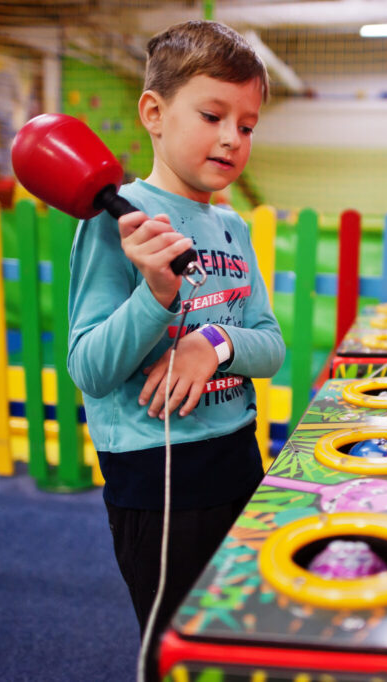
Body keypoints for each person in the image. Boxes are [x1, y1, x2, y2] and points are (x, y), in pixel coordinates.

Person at [65, 20, 285, 679]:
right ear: (154, 113)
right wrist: (154, 295)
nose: (231, 138)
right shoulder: (116, 221)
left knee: (242, 636)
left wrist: (211, 343)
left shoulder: (232, 226)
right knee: (178, 650)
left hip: (239, 460)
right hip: (156, 481)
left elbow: (269, 347)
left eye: (246, 125)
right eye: (213, 114)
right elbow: (91, 367)